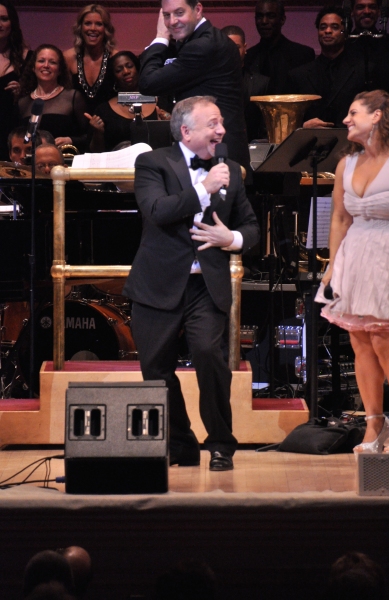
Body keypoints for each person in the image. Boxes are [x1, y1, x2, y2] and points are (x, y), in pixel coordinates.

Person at [123, 96, 260, 470]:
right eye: (213, 123)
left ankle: (220, 444)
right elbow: (156, 210)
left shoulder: (230, 168)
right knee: (156, 369)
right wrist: (203, 189)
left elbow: (251, 227)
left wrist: (229, 239)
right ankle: (180, 443)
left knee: (207, 355)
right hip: (157, 283)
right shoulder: (152, 162)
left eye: (221, 123)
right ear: (187, 130)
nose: (222, 130)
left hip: (205, 285)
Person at [316, 90, 389, 455]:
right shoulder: (346, 164)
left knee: (386, 340)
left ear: (378, 115)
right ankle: (374, 424)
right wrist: (333, 267)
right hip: (357, 253)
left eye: (353, 113)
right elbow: (339, 217)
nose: (346, 120)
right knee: (361, 341)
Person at [138, 0, 251, 180]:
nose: (172, 21)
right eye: (167, 16)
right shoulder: (204, 39)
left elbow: (148, 83)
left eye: (179, 13)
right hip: (214, 152)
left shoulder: (203, 46)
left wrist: (161, 36)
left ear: (198, 10)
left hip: (216, 156)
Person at [288, 6, 367, 129]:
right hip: (310, 142)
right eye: (323, 27)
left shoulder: (362, 71)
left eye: (334, 27)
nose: (327, 31)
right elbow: (290, 118)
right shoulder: (299, 75)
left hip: (351, 142)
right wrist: (302, 127)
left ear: (345, 32)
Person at [86, 51, 170, 152]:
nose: (126, 72)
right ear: (114, 77)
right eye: (118, 70)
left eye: (129, 66)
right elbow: (96, 152)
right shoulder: (103, 110)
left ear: (138, 69)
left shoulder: (160, 102)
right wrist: (97, 133)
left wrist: (168, 123)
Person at [18, 44, 88, 153]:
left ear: (60, 70)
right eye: (41, 61)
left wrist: (71, 140)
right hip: (33, 166)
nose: (46, 65)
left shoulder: (73, 97)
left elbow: (89, 136)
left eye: (52, 62)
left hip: (65, 165)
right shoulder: (23, 102)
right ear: (33, 67)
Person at [245, 0, 315, 95]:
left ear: (282, 20)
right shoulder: (248, 56)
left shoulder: (302, 55)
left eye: (271, 16)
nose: (264, 21)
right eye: (260, 16)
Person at [64, 4, 118, 113]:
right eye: (88, 23)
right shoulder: (68, 58)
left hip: (110, 124)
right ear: (80, 27)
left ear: (106, 29)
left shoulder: (116, 58)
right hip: (75, 124)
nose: (93, 28)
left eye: (99, 24)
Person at [222, 25, 269, 141]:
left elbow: (265, 127)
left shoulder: (261, 83)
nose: (232, 52)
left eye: (236, 47)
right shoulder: (208, 82)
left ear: (245, 48)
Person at [348, 0, 389, 101]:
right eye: (360, 7)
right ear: (352, 12)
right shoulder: (343, 45)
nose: (367, 11)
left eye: (372, 7)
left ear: (379, 11)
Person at [0, 0, 31, 160]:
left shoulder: (28, 58)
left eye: (4, 19)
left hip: (12, 130)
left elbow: (39, 97)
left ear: (12, 23)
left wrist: (23, 92)